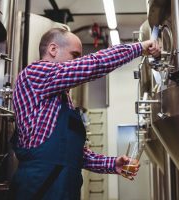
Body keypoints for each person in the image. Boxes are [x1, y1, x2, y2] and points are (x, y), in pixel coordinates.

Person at [10, 27, 161, 199]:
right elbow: (93, 64)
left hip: (63, 189)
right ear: (53, 49)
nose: (77, 61)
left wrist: (112, 164)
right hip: (38, 188)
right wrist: (138, 48)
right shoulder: (35, 74)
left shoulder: (61, 96)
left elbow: (71, 153)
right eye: (74, 55)